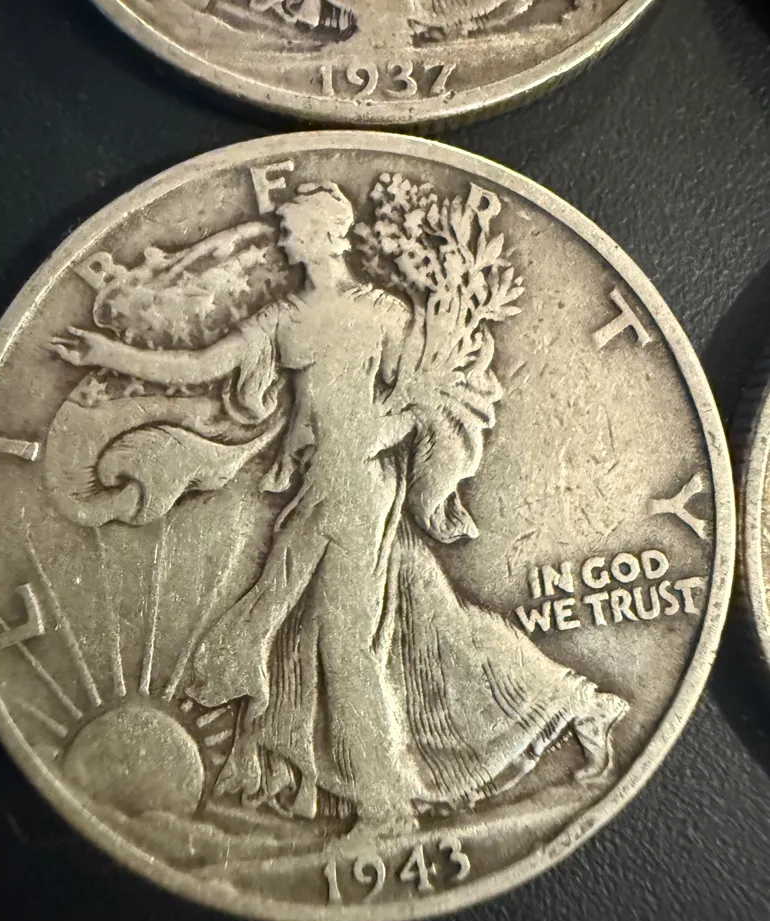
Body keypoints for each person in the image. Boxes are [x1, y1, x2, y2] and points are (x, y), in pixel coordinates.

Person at [52, 182, 627, 835]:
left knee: (344, 646)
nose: (286, 238)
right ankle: (581, 706)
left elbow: (426, 395)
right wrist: (105, 353)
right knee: (422, 624)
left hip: (361, 489)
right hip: (318, 486)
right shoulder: (285, 318)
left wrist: (382, 432)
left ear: (328, 235)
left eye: (295, 228)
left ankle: (385, 810)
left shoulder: (383, 312)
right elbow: (202, 366)